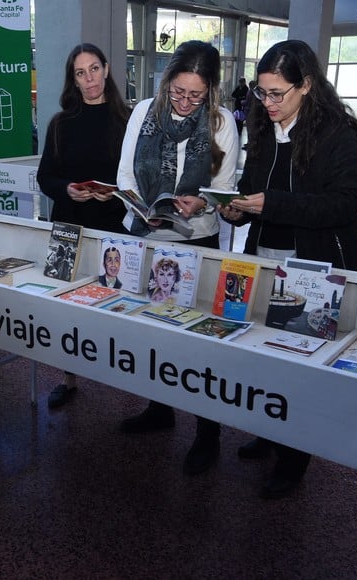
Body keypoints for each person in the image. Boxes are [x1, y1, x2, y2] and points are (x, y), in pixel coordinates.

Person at [218, 39, 357, 499]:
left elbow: (346, 204)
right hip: (267, 257)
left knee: (302, 362)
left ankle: (295, 456)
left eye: (276, 94)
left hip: (316, 265)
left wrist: (273, 205)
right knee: (268, 352)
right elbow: (252, 186)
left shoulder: (337, 133)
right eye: (260, 94)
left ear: (306, 86)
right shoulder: (265, 126)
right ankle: (271, 431)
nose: (266, 104)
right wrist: (236, 209)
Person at [116, 40, 239, 476]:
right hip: (149, 234)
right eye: (179, 92)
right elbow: (126, 173)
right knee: (154, 330)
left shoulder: (221, 123)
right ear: (167, 82)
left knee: (199, 340)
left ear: (210, 92)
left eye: (196, 96)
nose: (186, 102)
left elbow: (223, 186)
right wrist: (141, 207)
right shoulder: (144, 110)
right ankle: (159, 408)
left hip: (197, 239)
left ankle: (208, 433)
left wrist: (201, 203)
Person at [36, 43, 130, 408]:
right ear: (72, 79)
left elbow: (139, 180)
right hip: (68, 225)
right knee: (65, 306)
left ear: (106, 70)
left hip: (115, 227)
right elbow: (46, 177)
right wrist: (67, 190)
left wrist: (118, 193)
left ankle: (127, 372)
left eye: (94, 69)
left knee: (119, 303)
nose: (89, 79)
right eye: (80, 73)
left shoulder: (129, 120)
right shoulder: (61, 123)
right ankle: (68, 375)